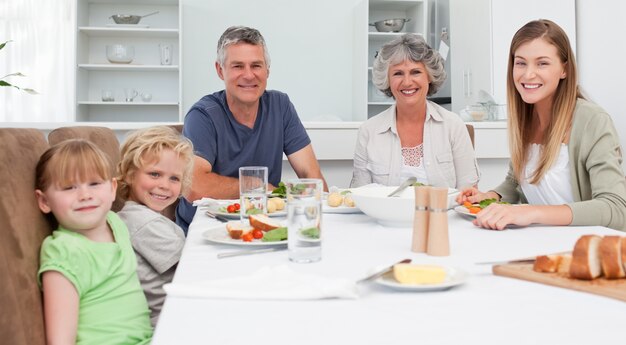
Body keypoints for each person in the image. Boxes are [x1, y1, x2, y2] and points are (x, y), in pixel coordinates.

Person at [456, 19, 626, 231]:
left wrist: (529, 212)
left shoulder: (592, 121)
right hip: (542, 244)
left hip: (586, 249)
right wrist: (490, 197)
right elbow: (516, 183)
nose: (528, 74)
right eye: (521, 63)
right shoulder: (525, 116)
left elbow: (616, 208)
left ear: (565, 69)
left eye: (542, 63)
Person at [176, 25, 327, 231]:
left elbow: (311, 175)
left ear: (267, 70)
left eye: (256, 65)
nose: (248, 75)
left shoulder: (280, 106)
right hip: (206, 228)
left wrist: (318, 221)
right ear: (220, 70)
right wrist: (260, 188)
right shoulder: (203, 115)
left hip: (263, 225)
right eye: (238, 66)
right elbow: (194, 186)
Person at [35, 139, 153, 344]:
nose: (85, 195)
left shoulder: (115, 222)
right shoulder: (65, 251)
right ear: (45, 201)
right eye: (69, 187)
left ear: (112, 189)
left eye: (94, 183)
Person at [350, 33, 479, 189]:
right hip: (384, 214)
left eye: (415, 72)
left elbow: (468, 193)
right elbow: (359, 195)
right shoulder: (368, 131)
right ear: (387, 80)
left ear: (429, 76)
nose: (407, 82)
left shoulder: (453, 125)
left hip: (441, 213)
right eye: (398, 73)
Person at [116, 126, 194, 327]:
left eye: (174, 178)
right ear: (129, 174)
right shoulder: (144, 223)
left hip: (177, 310)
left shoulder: (138, 216)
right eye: (154, 174)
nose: (165, 185)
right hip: (170, 321)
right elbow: (193, 270)